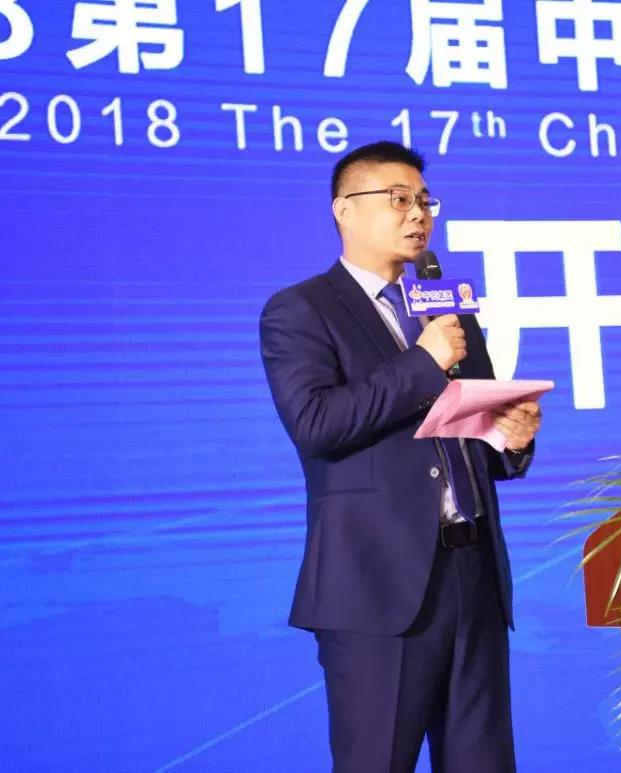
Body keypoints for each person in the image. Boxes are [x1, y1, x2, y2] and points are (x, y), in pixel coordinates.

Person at [259, 140, 541, 772]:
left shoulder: (445, 309)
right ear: (345, 210)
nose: (418, 214)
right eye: (398, 199)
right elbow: (317, 424)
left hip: (473, 575)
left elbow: (471, 433)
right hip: (376, 586)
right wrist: (422, 362)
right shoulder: (301, 309)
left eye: (424, 200)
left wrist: (512, 438)